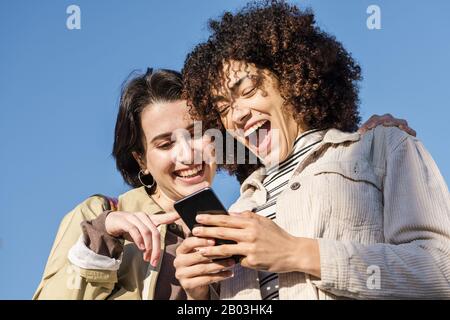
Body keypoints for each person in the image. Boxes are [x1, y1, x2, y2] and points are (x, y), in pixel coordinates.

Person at [175, 0, 450, 299]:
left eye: (248, 91)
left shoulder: (383, 147)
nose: (237, 114)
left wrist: (297, 253)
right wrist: (200, 295)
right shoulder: (240, 208)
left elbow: (442, 272)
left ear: (290, 77)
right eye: (224, 108)